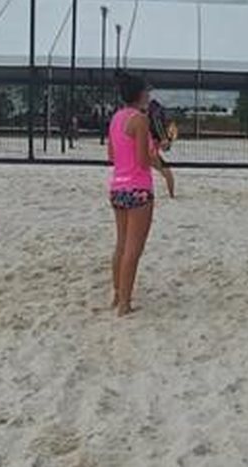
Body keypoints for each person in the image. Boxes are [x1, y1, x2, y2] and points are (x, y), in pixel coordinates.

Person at [106, 75, 156, 317]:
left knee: (121, 244)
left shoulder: (116, 118)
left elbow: (112, 156)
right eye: (147, 91)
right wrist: (156, 154)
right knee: (133, 249)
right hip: (138, 189)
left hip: (117, 187)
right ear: (140, 94)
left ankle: (118, 294)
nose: (149, 95)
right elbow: (143, 161)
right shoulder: (140, 120)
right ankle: (125, 303)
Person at [146, 99, 176, 198]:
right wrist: (168, 140)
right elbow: (165, 147)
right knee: (167, 173)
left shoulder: (142, 119)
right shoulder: (156, 121)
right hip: (149, 152)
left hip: (140, 151)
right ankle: (172, 195)